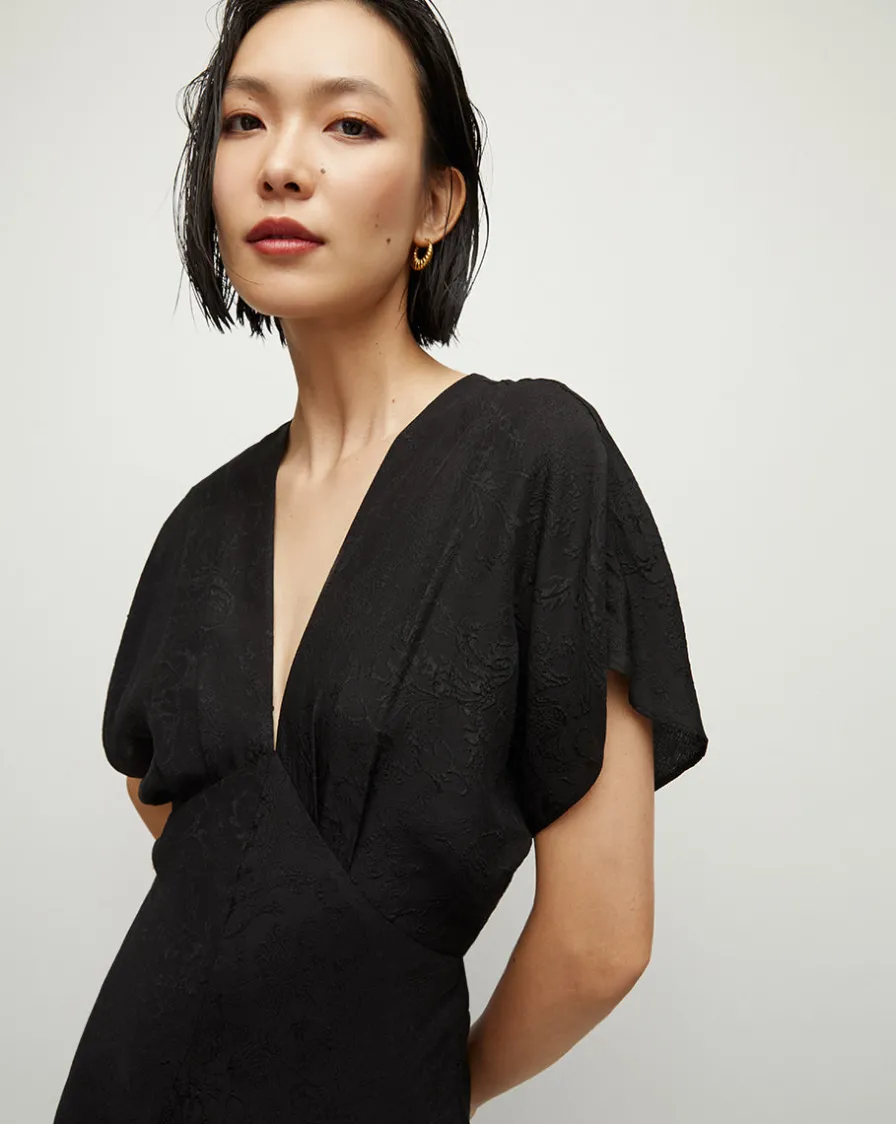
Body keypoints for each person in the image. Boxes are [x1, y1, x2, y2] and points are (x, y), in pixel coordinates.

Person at [53, 1, 709, 1121]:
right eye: (244, 122)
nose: (282, 166)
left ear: (435, 205)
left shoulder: (535, 456)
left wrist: (414, 1081)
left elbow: (601, 941)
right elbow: (185, 822)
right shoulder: (198, 527)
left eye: (348, 125)